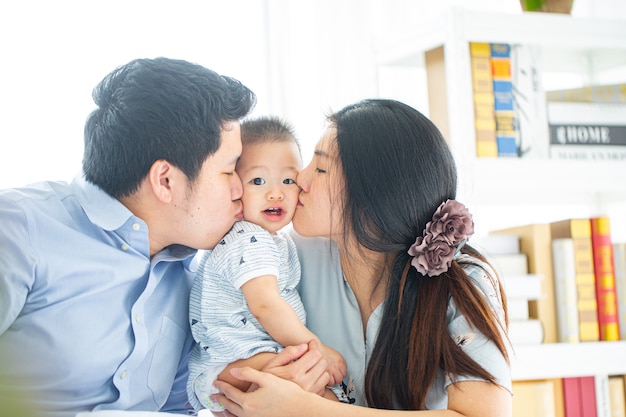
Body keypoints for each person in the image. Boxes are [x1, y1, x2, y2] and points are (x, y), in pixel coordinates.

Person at [211, 99, 513, 417]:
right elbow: (218, 361)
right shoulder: (286, 258)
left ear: (374, 196)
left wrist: (307, 408)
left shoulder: (461, 278)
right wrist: (269, 378)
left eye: (321, 168)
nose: (300, 179)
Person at [0, 57, 256, 417]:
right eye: (229, 170)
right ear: (165, 180)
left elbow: (175, 409)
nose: (239, 189)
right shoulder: (17, 228)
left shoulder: (195, 279)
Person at [187, 117, 347, 414]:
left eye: (288, 180)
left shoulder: (274, 240)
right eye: (258, 181)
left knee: (322, 397)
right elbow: (265, 305)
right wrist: (317, 348)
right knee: (317, 391)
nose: (276, 193)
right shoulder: (250, 238)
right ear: (235, 186)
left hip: (232, 364)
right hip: (235, 362)